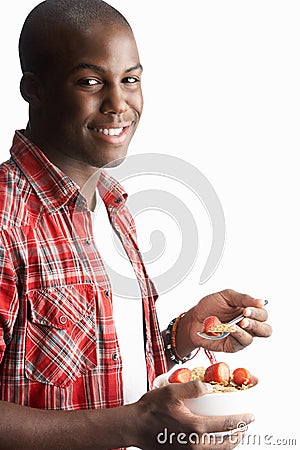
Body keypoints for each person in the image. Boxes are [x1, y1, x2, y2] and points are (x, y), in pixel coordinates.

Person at [0, 1, 272, 449]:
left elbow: (104, 369)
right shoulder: (6, 216)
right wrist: (133, 426)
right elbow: (132, 419)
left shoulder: (114, 207)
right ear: (35, 90)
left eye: (130, 80)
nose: (118, 104)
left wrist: (183, 336)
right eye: (90, 81)